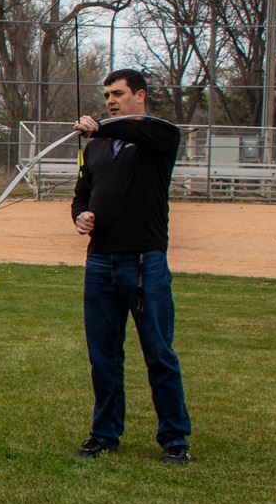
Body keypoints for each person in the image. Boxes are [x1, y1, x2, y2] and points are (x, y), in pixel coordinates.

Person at [70, 69, 192, 465]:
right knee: (103, 355)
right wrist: (81, 217)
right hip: (100, 263)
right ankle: (104, 434)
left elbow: (140, 133)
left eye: (118, 93)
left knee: (159, 352)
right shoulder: (97, 148)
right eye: (106, 95)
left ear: (140, 96)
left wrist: (101, 128)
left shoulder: (159, 138)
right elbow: (82, 194)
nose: (110, 100)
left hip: (145, 263)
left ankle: (174, 438)